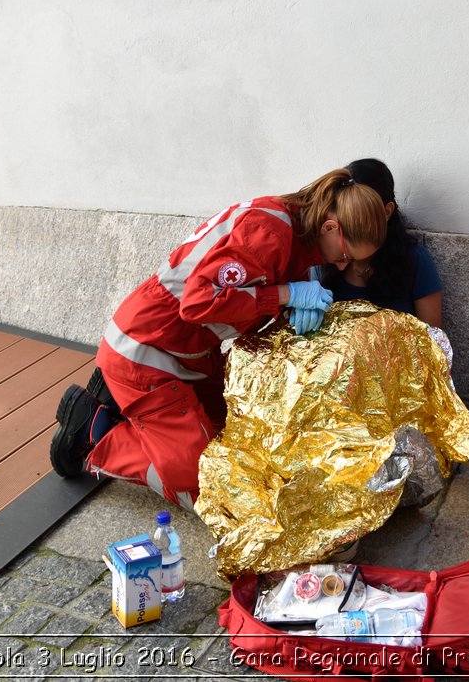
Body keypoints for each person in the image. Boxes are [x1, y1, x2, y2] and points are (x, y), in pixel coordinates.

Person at [50, 168, 388, 506]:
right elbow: (198, 303)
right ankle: (97, 432)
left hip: (187, 355)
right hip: (146, 353)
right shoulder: (269, 233)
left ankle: (132, 411)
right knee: (204, 485)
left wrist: (288, 310)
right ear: (331, 227)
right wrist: (285, 295)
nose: (342, 266)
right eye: (345, 255)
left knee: (242, 437)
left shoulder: (298, 228)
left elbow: (248, 294)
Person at [319, 158, 443, 328]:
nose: (353, 221)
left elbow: (433, 339)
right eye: (348, 211)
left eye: (364, 212)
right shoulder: (325, 249)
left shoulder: (414, 260)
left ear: (386, 211)